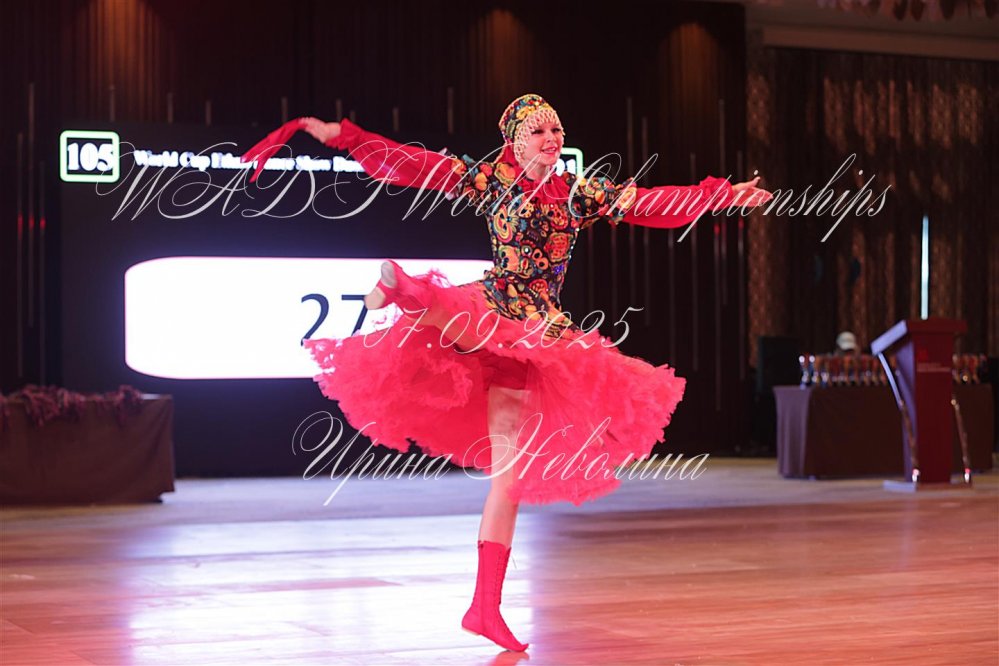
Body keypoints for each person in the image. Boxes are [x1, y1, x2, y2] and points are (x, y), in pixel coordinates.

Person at [244, 94, 772, 652]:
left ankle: (484, 608)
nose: (551, 139)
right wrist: (348, 139)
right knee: (453, 314)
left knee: (509, 481)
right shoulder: (491, 179)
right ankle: (407, 292)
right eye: (539, 131)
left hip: (537, 339)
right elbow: (417, 166)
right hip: (494, 311)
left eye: (556, 130)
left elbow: (649, 203)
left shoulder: (578, 192)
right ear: (516, 141)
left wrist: (720, 195)